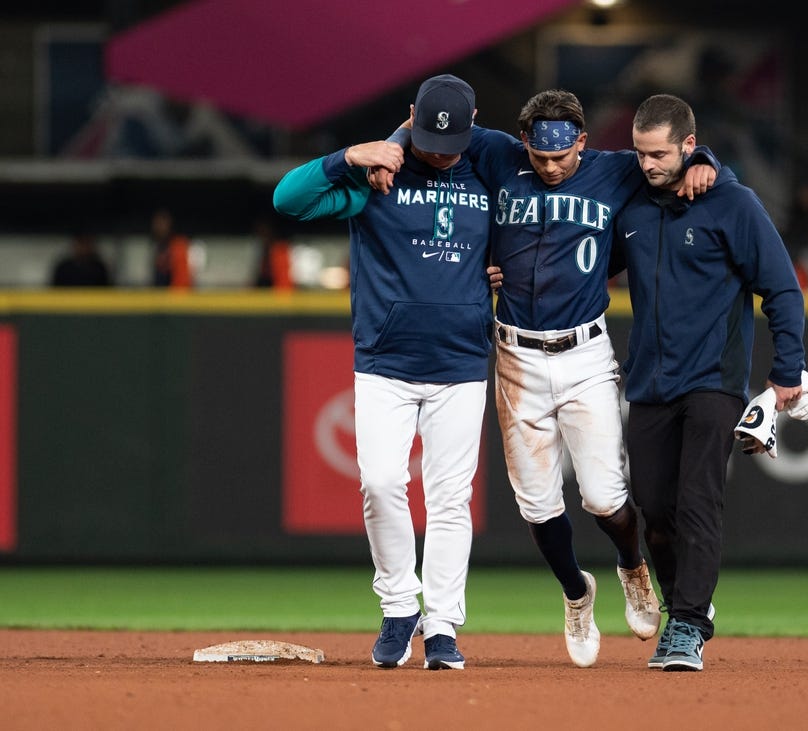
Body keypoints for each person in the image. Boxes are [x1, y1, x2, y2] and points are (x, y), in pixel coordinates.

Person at [376, 89, 718, 668]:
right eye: (541, 156)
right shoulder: (498, 153)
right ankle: (576, 593)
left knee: (605, 498)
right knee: (537, 506)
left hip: (585, 353)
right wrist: (389, 145)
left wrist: (707, 157)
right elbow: (427, 124)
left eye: (562, 156)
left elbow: (673, 157)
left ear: (583, 142)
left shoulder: (615, 170)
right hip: (517, 356)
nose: (552, 166)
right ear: (525, 141)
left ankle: (632, 566)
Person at [273, 74, 493, 671]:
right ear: (411, 116)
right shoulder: (377, 174)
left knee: (450, 501)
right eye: (426, 136)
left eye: (451, 141)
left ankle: (443, 626)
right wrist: (347, 155)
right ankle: (400, 605)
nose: (438, 150)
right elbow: (287, 201)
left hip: (462, 362)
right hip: (386, 362)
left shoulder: (490, 165)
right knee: (379, 483)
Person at [616, 94, 806, 671]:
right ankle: (685, 605)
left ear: (688, 147)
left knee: (699, 500)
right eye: (640, 152)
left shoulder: (732, 203)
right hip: (648, 382)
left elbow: (782, 289)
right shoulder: (631, 203)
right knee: (653, 505)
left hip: (712, 381)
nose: (647, 164)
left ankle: (689, 626)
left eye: (658, 154)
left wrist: (787, 372)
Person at [149, 207, 192, 289]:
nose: (159, 227)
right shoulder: (156, 246)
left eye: (162, 223)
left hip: (175, 298)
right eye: (157, 223)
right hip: (157, 296)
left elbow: (182, 282)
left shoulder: (179, 245)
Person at [252, 216, 293, 289]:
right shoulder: (265, 248)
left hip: (282, 293)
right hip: (269, 290)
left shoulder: (280, 248)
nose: (260, 233)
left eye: (263, 230)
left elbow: (283, 279)